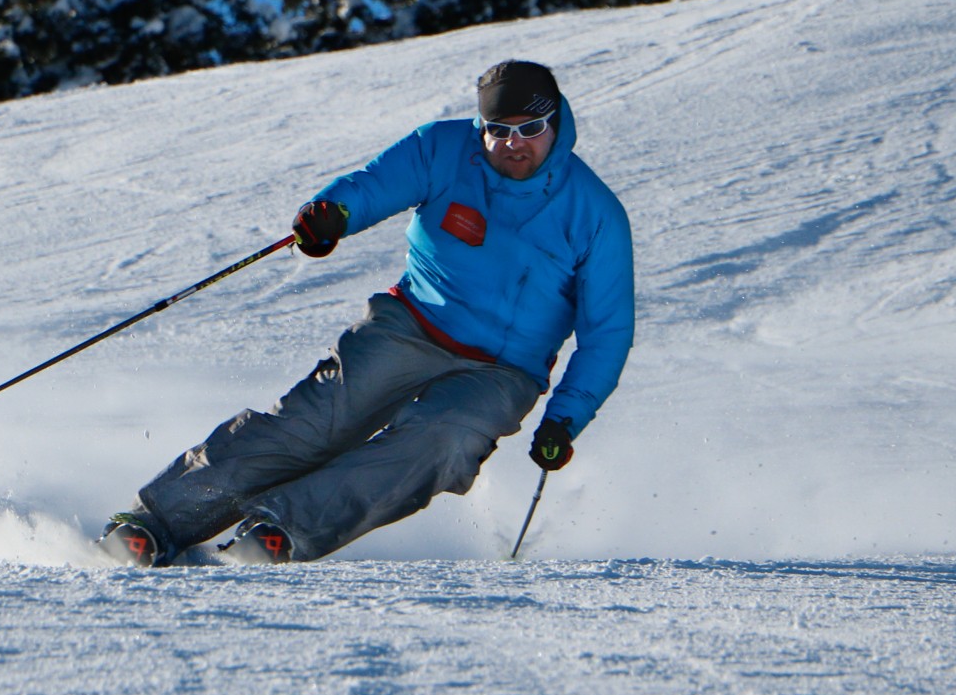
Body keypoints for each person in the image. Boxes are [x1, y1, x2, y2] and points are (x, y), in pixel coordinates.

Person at [101, 59, 633, 565]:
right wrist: (333, 214)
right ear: (482, 125)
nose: (514, 144)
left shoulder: (595, 214)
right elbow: (373, 185)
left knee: (442, 440)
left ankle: (283, 530)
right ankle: (157, 522)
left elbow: (606, 333)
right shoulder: (444, 150)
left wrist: (566, 418)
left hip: (502, 371)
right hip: (411, 325)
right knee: (317, 422)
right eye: (499, 129)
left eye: (531, 128)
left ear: (556, 123)